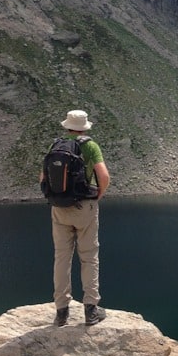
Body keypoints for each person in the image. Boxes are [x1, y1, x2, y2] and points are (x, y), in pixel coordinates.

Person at [41, 109, 110, 327]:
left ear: (67, 126)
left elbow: (43, 177)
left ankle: (61, 312)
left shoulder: (55, 145)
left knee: (62, 257)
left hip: (59, 208)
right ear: (84, 126)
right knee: (89, 256)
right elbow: (104, 176)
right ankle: (90, 310)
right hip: (84, 207)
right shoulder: (90, 146)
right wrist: (97, 195)